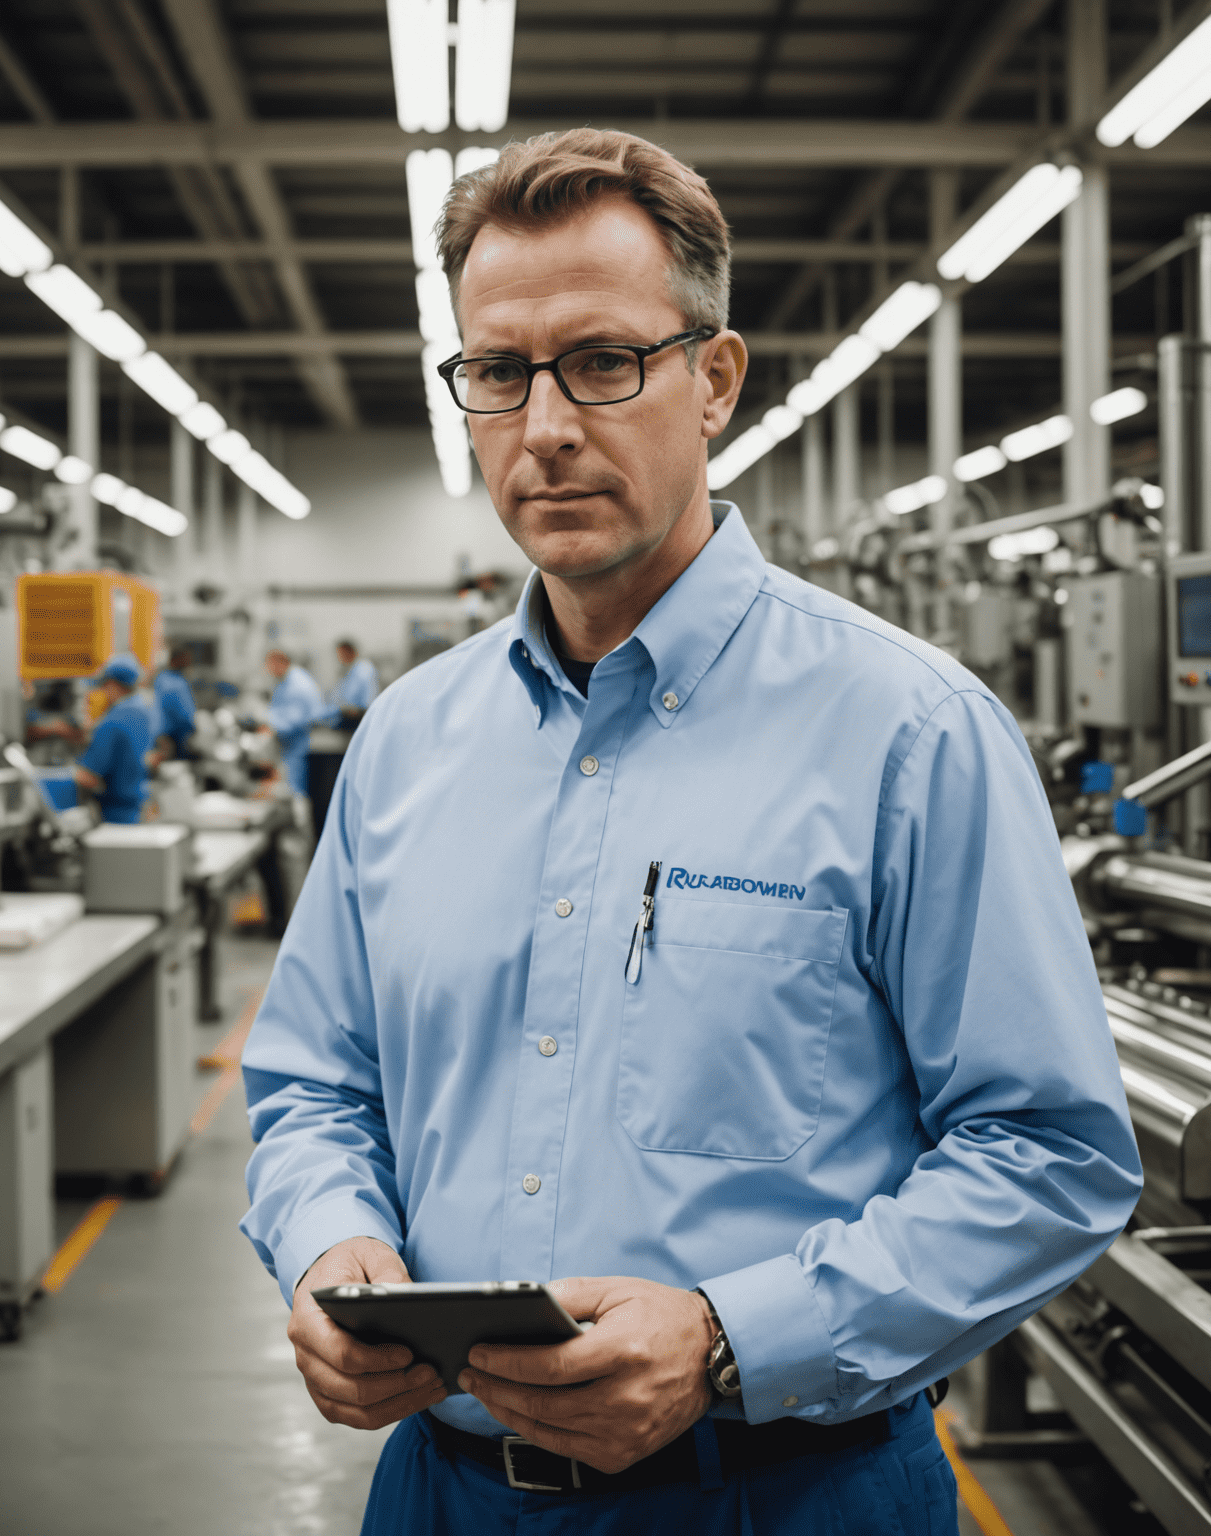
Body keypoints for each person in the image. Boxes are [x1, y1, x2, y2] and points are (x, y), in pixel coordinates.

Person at [239, 129, 1141, 1535]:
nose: (544, 426)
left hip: (789, 1492)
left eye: (604, 362)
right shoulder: (408, 742)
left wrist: (731, 1336)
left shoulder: (909, 732)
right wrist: (328, 1243)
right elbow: (311, 1083)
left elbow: (1050, 1153)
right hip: (442, 1495)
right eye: (497, 373)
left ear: (714, 379)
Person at [73, 655, 153, 825]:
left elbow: (88, 776)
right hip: (136, 809)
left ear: (111, 684)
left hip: (115, 815)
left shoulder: (112, 722)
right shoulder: (141, 714)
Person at [260, 649, 324, 797]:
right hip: (291, 746)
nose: (269, 669)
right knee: (290, 789)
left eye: (270, 665)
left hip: (299, 745)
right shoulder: (287, 680)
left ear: (281, 662)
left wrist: (269, 726)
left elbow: (295, 720)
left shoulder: (298, 684)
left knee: (296, 791)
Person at [151, 647, 198, 760]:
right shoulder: (173, 683)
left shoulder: (164, 678)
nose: (188, 663)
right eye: (185, 660)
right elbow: (183, 714)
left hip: (167, 734)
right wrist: (193, 727)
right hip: (173, 735)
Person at [323, 639, 380, 729]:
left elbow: (364, 703)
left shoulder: (363, 669)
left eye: (340, 654)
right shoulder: (349, 670)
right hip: (347, 716)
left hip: (358, 719)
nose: (339, 658)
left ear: (349, 652)